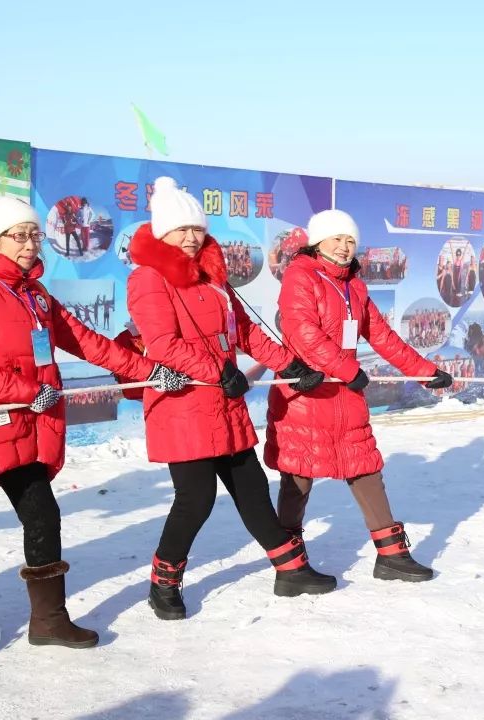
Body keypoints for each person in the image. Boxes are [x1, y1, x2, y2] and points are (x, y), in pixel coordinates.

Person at [0, 195, 186, 657]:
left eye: (34, 234)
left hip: (16, 432)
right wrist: (23, 391)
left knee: (42, 514)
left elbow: (84, 340)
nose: (30, 244)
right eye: (19, 235)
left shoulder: (32, 291)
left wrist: (146, 370)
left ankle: (50, 620)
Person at [127, 177, 330, 620]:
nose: (189, 237)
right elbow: (161, 343)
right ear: (161, 232)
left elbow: (247, 332)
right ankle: (163, 583)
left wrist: (288, 364)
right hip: (183, 405)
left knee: (253, 489)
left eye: (196, 229)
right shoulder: (148, 278)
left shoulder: (213, 277)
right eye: (180, 230)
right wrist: (218, 371)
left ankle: (290, 569)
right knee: (195, 499)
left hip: (223, 402)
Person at [266, 209, 453, 583]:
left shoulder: (354, 284)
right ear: (318, 242)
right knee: (299, 477)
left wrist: (423, 370)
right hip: (307, 393)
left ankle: (392, 556)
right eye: (336, 238)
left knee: (365, 466)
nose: (344, 246)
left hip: (344, 394)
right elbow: (303, 333)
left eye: (350, 240)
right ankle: (289, 565)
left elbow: (382, 335)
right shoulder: (300, 277)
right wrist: (348, 370)